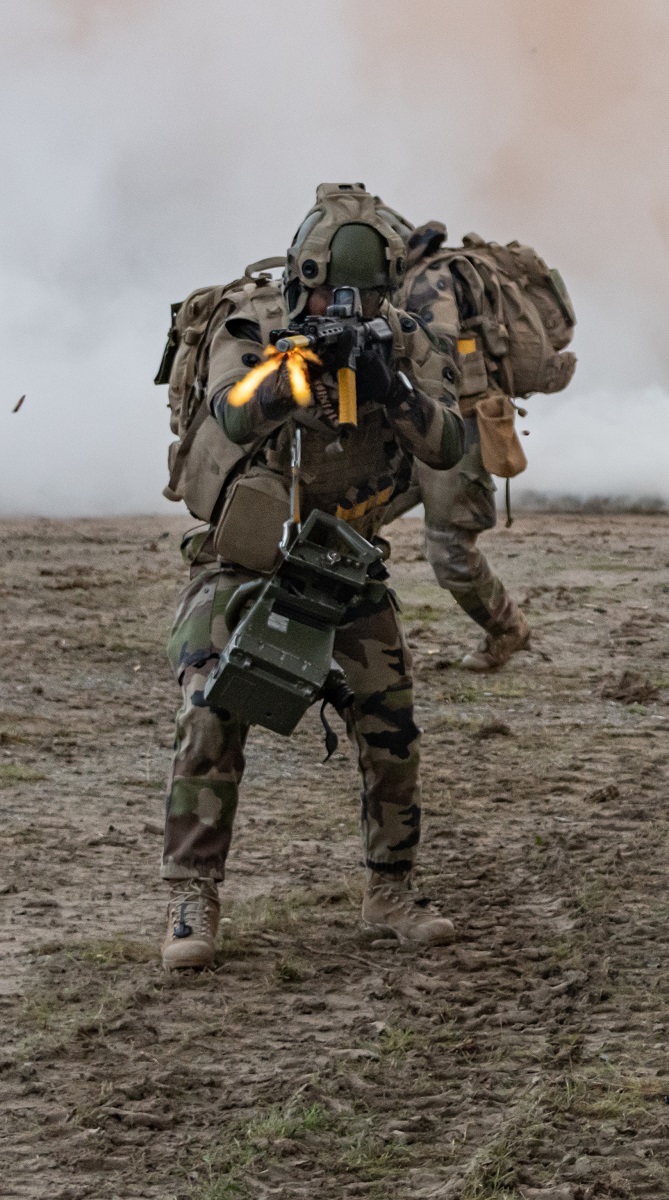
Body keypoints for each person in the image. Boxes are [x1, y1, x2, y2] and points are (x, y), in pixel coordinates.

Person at [159, 183, 466, 970]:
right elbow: (232, 412)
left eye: (360, 294)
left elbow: (448, 443)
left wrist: (389, 381)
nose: (343, 303)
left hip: (343, 557)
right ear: (303, 274)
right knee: (209, 711)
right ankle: (194, 896)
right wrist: (302, 366)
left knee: (391, 725)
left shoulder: (406, 339)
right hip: (245, 556)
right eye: (330, 288)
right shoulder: (251, 320)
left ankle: (389, 889)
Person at [382, 220, 531, 672]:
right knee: (348, 526)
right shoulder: (398, 283)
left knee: (449, 549)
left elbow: (436, 353)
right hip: (412, 422)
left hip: (456, 425)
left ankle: (507, 630)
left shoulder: (428, 281)